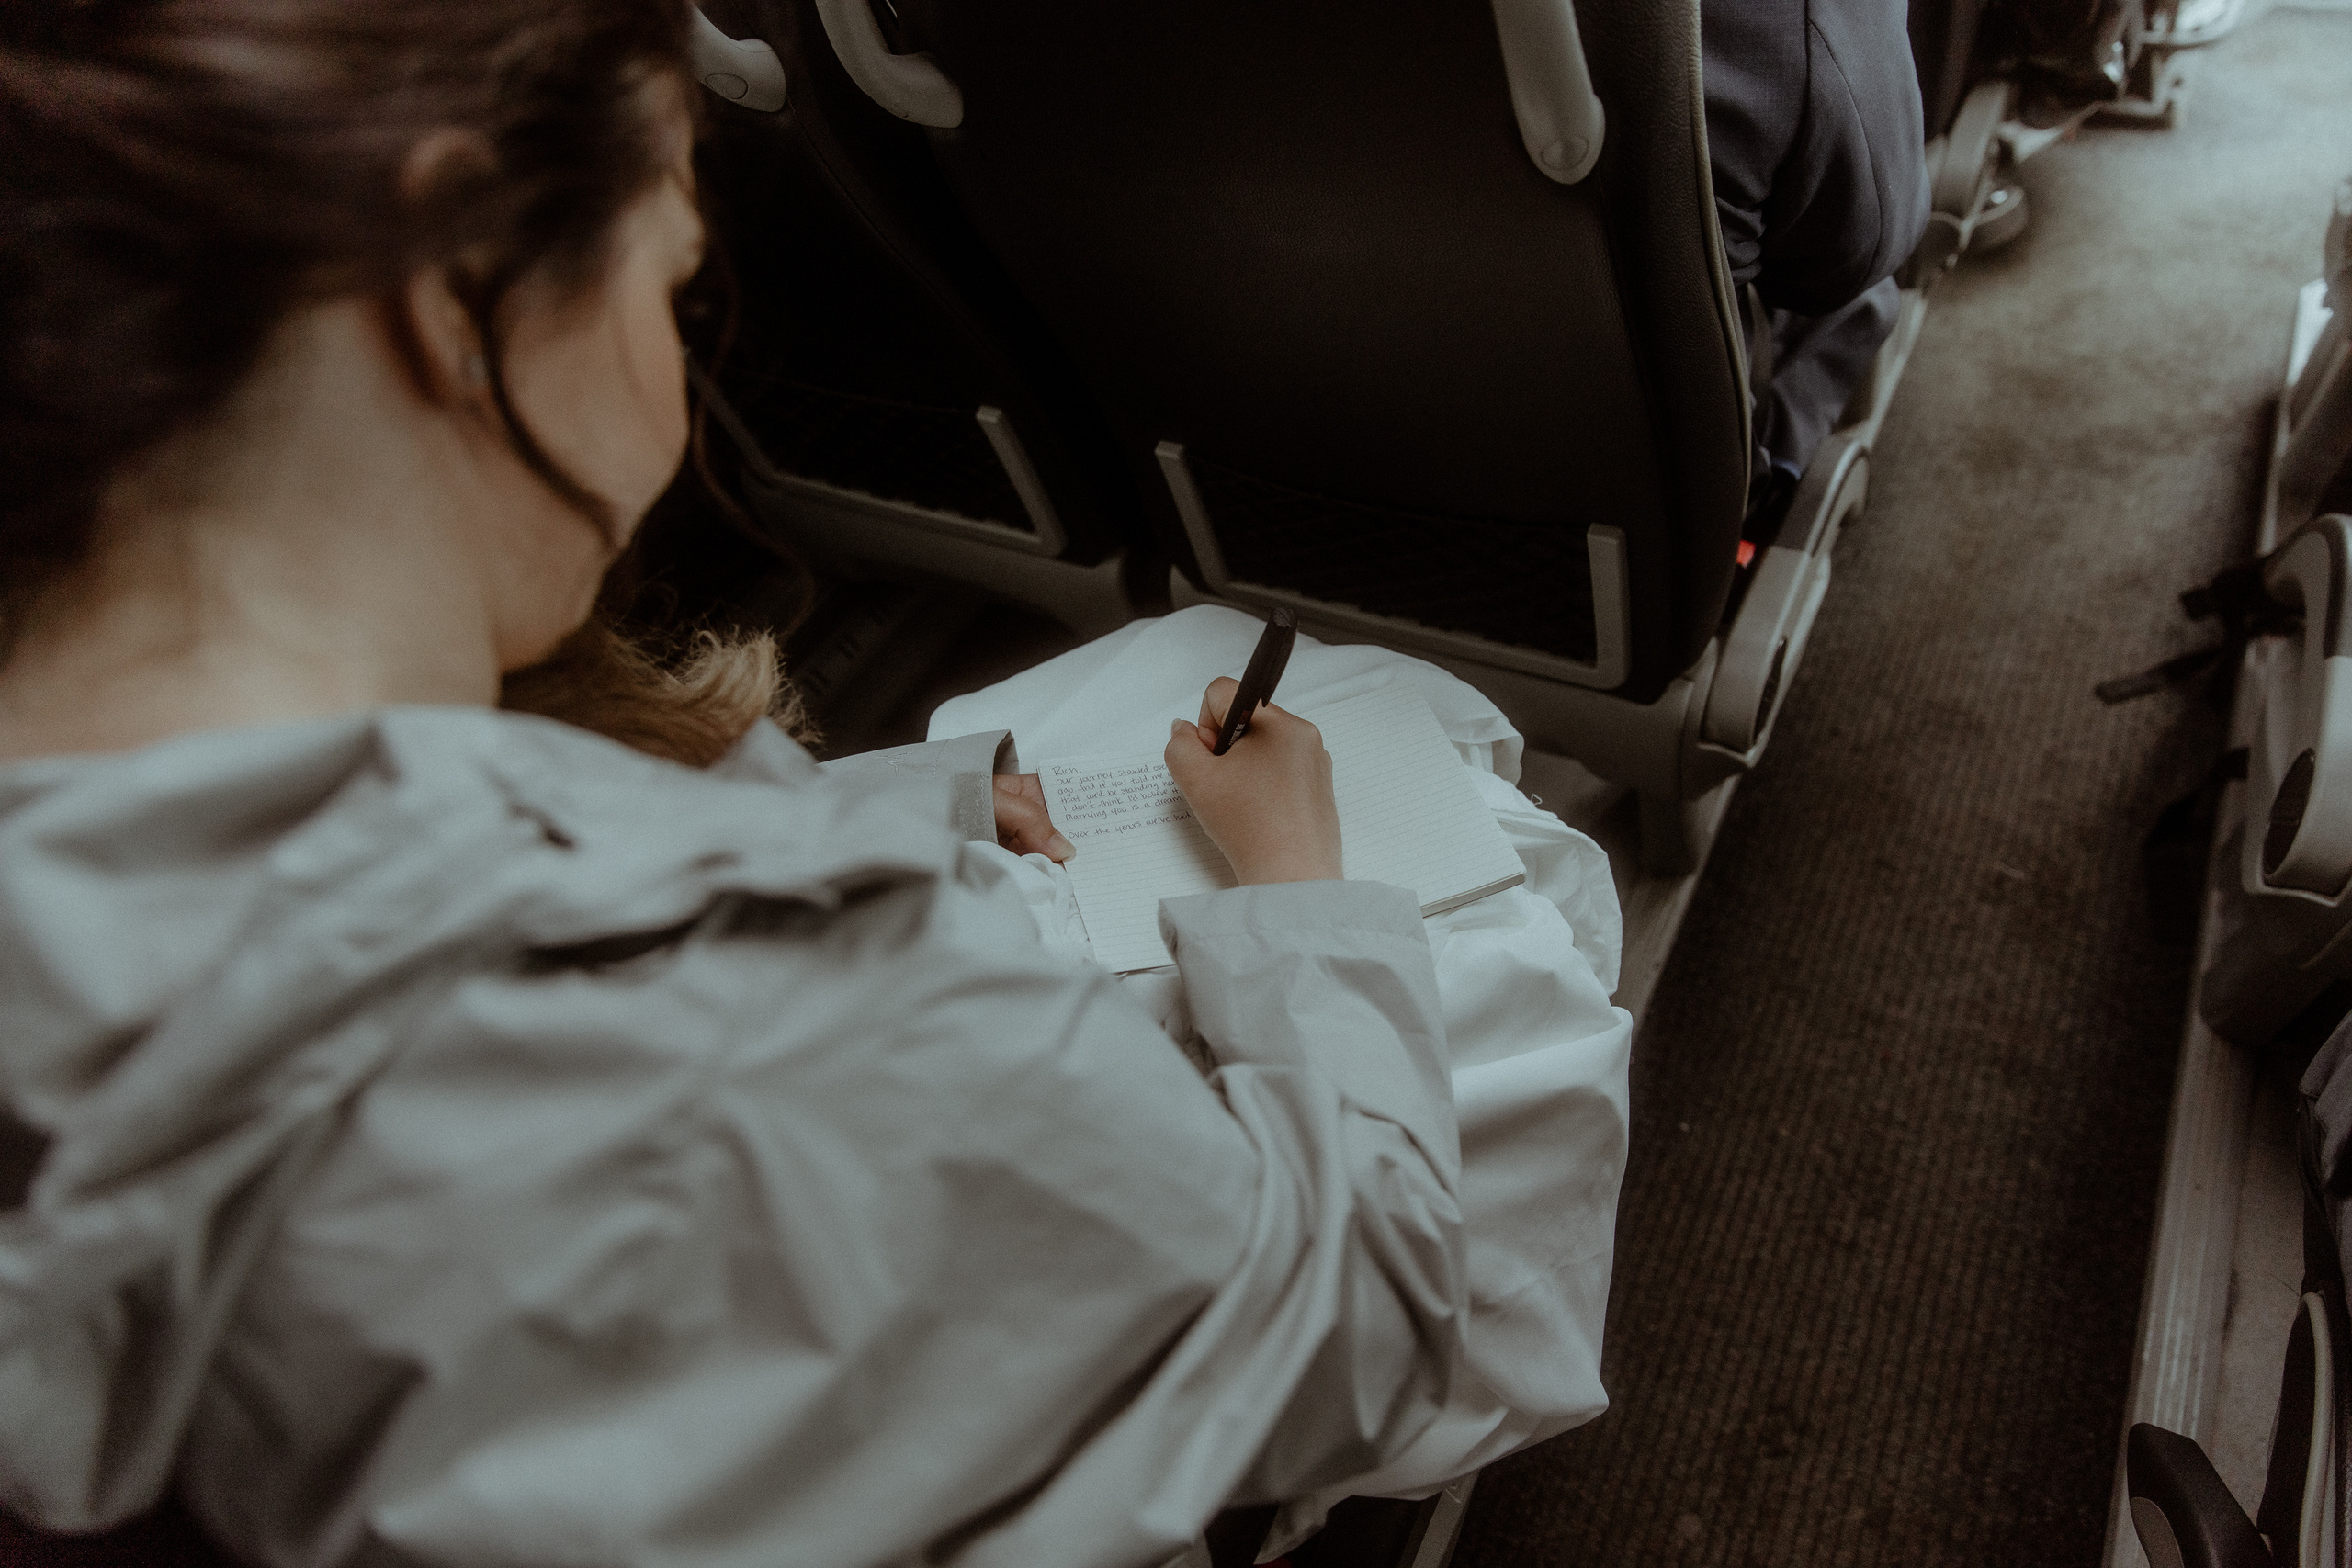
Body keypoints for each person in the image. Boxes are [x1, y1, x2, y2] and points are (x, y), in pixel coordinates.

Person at [0, 4, 1629, 1565]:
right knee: (1523, 890)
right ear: (461, 281)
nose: (673, 366)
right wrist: (1300, 892)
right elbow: (1357, 1327)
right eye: (669, 282)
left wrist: (893, 811)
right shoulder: (777, 1023)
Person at [1704, 0, 1932, 502]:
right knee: (1868, 291)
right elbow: (1854, 256)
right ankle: (1776, 471)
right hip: (1687, 476)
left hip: (1523, 442)